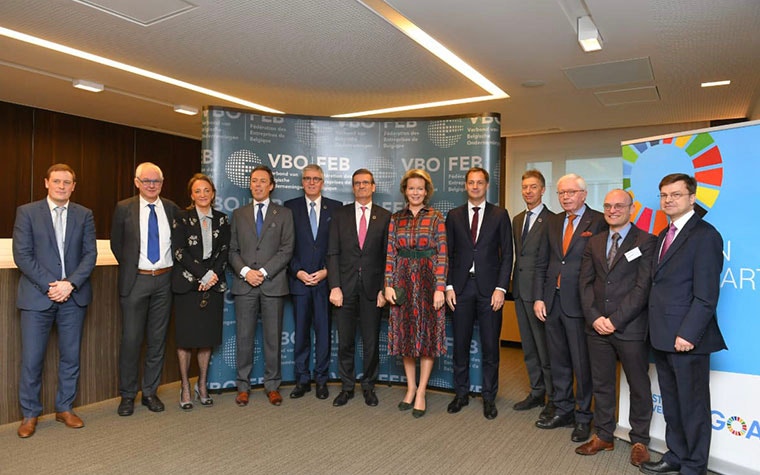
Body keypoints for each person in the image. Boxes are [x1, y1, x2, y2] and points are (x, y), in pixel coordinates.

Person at [640, 174, 726, 475]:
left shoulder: (705, 235)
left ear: (692, 197)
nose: (668, 200)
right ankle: (675, 456)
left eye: (676, 194)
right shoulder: (665, 234)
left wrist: (687, 334)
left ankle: (694, 466)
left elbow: (706, 296)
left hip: (687, 339)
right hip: (662, 335)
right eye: (664, 195)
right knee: (673, 405)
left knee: (693, 408)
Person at [13, 164, 97, 438]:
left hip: (73, 297)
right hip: (38, 296)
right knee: (32, 359)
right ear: (46, 183)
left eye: (67, 182)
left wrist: (69, 284)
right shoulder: (27, 212)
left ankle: (65, 408)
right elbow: (22, 256)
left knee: (71, 357)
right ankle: (30, 414)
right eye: (57, 181)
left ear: (74, 186)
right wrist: (53, 286)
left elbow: (90, 255)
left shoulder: (84, 215)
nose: (62, 186)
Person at [576, 189, 655, 467]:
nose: (612, 210)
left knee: (639, 384)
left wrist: (616, 320)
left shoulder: (646, 241)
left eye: (619, 205)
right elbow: (584, 284)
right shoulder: (595, 242)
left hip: (630, 327)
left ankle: (640, 440)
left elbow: (642, 287)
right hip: (596, 327)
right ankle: (604, 435)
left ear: (631, 209)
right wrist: (594, 317)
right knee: (602, 383)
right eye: (608, 205)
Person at [533, 173, 606, 441]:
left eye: (571, 192)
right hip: (552, 301)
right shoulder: (552, 221)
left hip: (580, 304)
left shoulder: (598, 221)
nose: (565, 197)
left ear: (584, 195)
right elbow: (544, 260)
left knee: (581, 362)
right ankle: (562, 409)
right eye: (562, 192)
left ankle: (584, 415)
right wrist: (540, 296)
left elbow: (602, 266)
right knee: (559, 360)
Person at [111, 162, 180, 416]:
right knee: (131, 340)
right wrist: (135, 269)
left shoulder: (172, 209)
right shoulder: (123, 208)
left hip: (164, 281)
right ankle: (127, 395)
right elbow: (118, 245)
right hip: (135, 281)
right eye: (147, 181)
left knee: (157, 341)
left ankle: (150, 392)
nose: (152, 186)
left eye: (157, 181)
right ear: (137, 182)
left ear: (162, 183)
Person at [445, 167, 512, 420]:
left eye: (479, 182)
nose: (475, 186)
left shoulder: (499, 214)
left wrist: (501, 288)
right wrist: (449, 286)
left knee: (490, 348)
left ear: (486, 186)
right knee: (459, 345)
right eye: (471, 182)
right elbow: (448, 255)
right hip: (461, 290)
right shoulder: (453, 216)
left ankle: (489, 397)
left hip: (490, 291)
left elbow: (507, 255)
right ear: (465, 186)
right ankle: (460, 394)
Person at [229, 165, 294, 407]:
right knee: (244, 337)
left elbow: (287, 249)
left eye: (262, 181)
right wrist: (246, 272)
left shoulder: (284, 214)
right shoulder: (238, 214)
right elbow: (232, 250)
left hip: (273, 284)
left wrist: (263, 273)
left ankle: (272, 385)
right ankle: (243, 386)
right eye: (254, 180)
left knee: (272, 338)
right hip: (245, 284)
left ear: (271, 185)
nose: (257, 185)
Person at [384, 169, 448, 418]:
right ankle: (409, 388)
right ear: (405, 190)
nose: (415, 192)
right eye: (411, 188)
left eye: (420, 188)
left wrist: (440, 287)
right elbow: (390, 252)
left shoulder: (436, 217)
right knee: (406, 336)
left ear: (426, 191)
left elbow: (443, 254)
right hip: (401, 280)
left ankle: (422, 391)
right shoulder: (395, 218)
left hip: (428, 278)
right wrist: (388, 284)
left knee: (427, 337)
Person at [327, 169, 391, 407]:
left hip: (373, 291)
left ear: (373, 187)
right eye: (357, 183)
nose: (362, 186)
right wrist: (334, 286)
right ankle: (346, 386)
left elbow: (388, 256)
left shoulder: (385, 216)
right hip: (343, 289)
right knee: (345, 341)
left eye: (366, 183)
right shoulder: (340, 215)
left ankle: (368, 385)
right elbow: (332, 252)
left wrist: (384, 288)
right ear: (353, 188)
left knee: (371, 341)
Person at [170, 174, 230, 410]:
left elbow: (225, 251)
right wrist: (201, 275)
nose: (202, 194)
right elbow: (179, 251)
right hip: (187, 286)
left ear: (213, 193)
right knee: (185, 341)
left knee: (205, 340)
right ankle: (185, 386)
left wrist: (211, 276)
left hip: (212, 286)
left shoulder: (223, 220)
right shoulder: (181, 219)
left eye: (207, 190)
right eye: (198, 191)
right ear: (191, 195)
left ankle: (202, 385)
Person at [284, 164, 341, 400]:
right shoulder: (290, 208)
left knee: (324, 333)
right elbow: (285, 246)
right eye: (307, 178)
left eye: (316, 178)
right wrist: (297, 272)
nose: (311, 182)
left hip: (325, 282)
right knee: (301, 333)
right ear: (302, 181)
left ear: (322, 182)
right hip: (299, 281)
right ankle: (302, 379)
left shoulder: (336, 208)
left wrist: (328, 272)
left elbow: (339, 247)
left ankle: (321, 379)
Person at [511, 170, 555, 421]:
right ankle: (536, 391)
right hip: (520, 291)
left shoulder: (552, 220)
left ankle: (552, 397)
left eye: (534, 187)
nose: (528, 191)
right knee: (528, 348)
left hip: (539, 295)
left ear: (543, 190)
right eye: (525, 187)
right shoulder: (518, 219)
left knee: (544, 348)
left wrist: (542, 295)